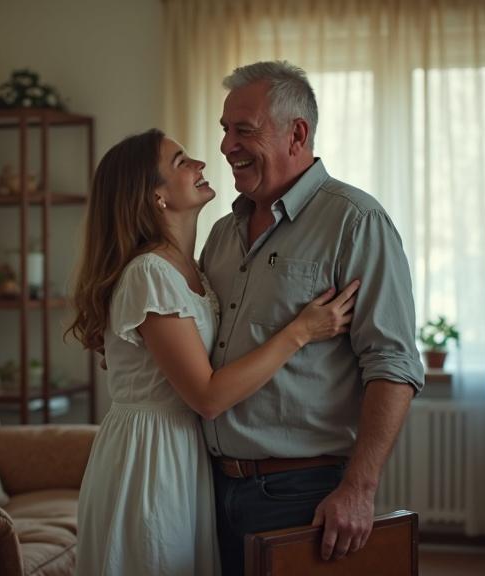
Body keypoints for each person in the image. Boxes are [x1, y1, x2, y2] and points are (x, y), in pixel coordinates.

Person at [67, 128, 360, 576]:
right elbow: (206, 396)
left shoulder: (193, 270)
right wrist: (300, 331)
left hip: (186, 452)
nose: (200, 164)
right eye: (181, 162)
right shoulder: (149, 273)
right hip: (152, 456)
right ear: (156, 196)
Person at [203, 60, 425, 575]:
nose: (226, 146)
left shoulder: (356, 221)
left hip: (299, 494)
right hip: (206, 486)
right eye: (225, 129)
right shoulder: (219, 235)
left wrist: (359, 487)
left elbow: (392, 364)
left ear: (297, 134)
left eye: (244, 130)